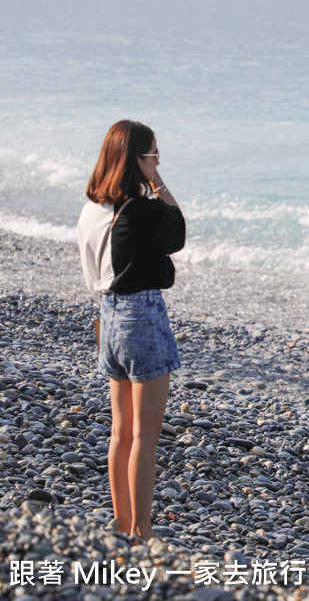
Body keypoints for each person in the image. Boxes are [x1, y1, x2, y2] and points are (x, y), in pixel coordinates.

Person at [77, 120, 185, 542]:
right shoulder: (141, 210)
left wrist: (149, 171)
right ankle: (143, 530)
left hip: (108, 314)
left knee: (121, 431)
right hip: (141, 314)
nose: (157, 162)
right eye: (153, 154)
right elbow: (176, 231)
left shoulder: (92, 209)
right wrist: (157, 181)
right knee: (145, 434)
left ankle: (122, 522)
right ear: (136, 159)